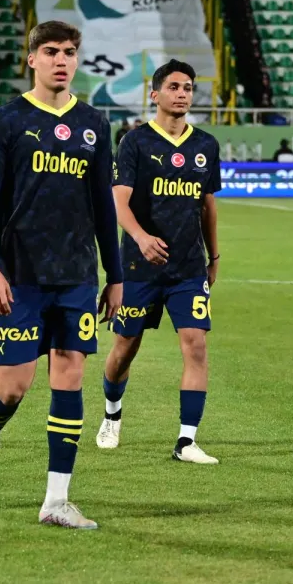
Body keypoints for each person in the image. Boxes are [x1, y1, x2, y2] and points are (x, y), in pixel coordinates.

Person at [0, 21, 123, 529]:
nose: (61, 60)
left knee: (70, 376)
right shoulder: (6, 121)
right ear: (31, 58)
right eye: (51, 51)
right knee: (13, 386)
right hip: (19, 274)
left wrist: (115, 274)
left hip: (76, 275)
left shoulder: (94, 124)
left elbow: (103, 207)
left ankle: (56, 500)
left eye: (69, 52)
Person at [96, 60, 222, 465]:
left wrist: (214, 255)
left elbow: (207, 206)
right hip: (139, 267)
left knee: (196, 345)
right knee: (125, 347)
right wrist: (141, 237)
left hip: (188, 268)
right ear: (155, 94)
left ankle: (186, 441)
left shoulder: (206, 145)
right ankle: (112, 413)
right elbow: (118, 201)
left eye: (188, 87)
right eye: (174, 87)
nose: (182, 93)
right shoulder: (135, 142)